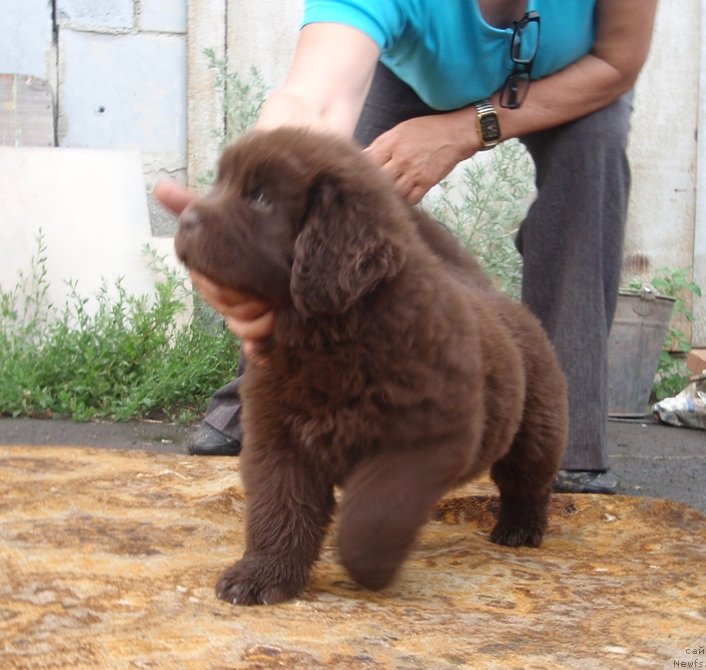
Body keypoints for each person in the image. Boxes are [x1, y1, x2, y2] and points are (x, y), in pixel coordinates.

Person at [155, 0, 658, 494]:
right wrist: (245, 213)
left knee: (593, 165)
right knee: (340, 203)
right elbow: (316, 102)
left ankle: (570, 450)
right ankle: (259, 404)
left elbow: (617, 63)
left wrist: (465, 129)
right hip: (415, 71)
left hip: (575, 82)